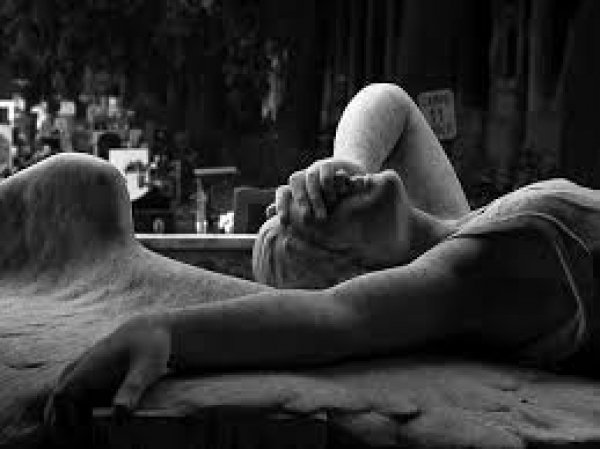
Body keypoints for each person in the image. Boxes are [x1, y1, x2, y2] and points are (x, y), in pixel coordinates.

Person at [45, 83, 600, 439]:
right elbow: (340, 318)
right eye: (309, 222)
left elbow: (389, 103)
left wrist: (347, 159)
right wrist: (166, 331)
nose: (304, 193)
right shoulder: (472, 276)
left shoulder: (455, 227)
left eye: (301, 196)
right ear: (372, 279)